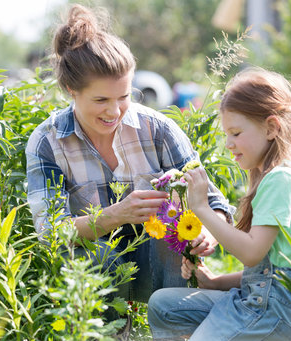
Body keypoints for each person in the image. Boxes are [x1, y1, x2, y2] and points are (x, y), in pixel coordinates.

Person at [25, 4, 234, 303]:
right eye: (101, 99)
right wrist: (116, 215)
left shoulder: (157, 128)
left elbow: (214, 203)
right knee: (96, 257)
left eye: (123, 96)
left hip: (161, 270)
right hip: (98, 267)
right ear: (72, 89)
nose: (114, 111)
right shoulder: (47, 141)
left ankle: (173, 339)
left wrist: (207, 234)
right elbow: (51, 231)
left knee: (171, 233)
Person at [148, 67, 291, 341]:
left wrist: (202, 208)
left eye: (236, 133)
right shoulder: (284, 176)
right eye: (226, 134)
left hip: (269, 315)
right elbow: (270, 272)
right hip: (263, 305)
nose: (228, 143)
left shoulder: (280, 179)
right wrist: (216, 283)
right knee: (163, 305)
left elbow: (253, 253)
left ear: (271, 127)